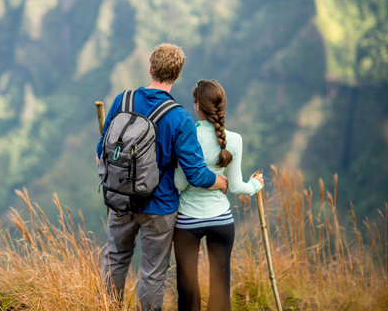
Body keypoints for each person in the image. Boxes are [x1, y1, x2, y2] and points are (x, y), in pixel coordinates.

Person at [96, 44, 229, 311]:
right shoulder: (179, 118)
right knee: (152, 273)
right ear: (177, 75)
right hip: (159, 208)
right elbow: (196, 175)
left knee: (115, 259)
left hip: (119, 200)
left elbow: (102, 151)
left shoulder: (123, 100)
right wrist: (223, 183)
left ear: (150, 68)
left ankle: (106, 308)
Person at [173, 80, 264, 311]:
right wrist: (254, 185)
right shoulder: (234, 140)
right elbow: (235, 186)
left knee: (187, 286)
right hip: (221, 220)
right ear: (222, 106)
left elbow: (180, 184)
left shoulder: (187, 136)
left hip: (187, 221)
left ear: (196, 106)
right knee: (221, 285)